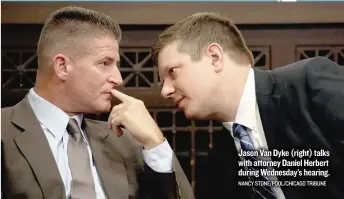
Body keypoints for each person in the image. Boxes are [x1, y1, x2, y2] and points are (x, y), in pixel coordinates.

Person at [1, 6, 195, 199]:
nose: (118, 79)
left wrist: (154, 141)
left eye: (116, 65)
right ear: (62, 67)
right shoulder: (4, 131)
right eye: (105, 63)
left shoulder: (123, 141)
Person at [151, 12, 344, 199]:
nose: (165, 91)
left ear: (215, 57)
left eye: (173, 72)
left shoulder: (310, 85)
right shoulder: (217, 165)